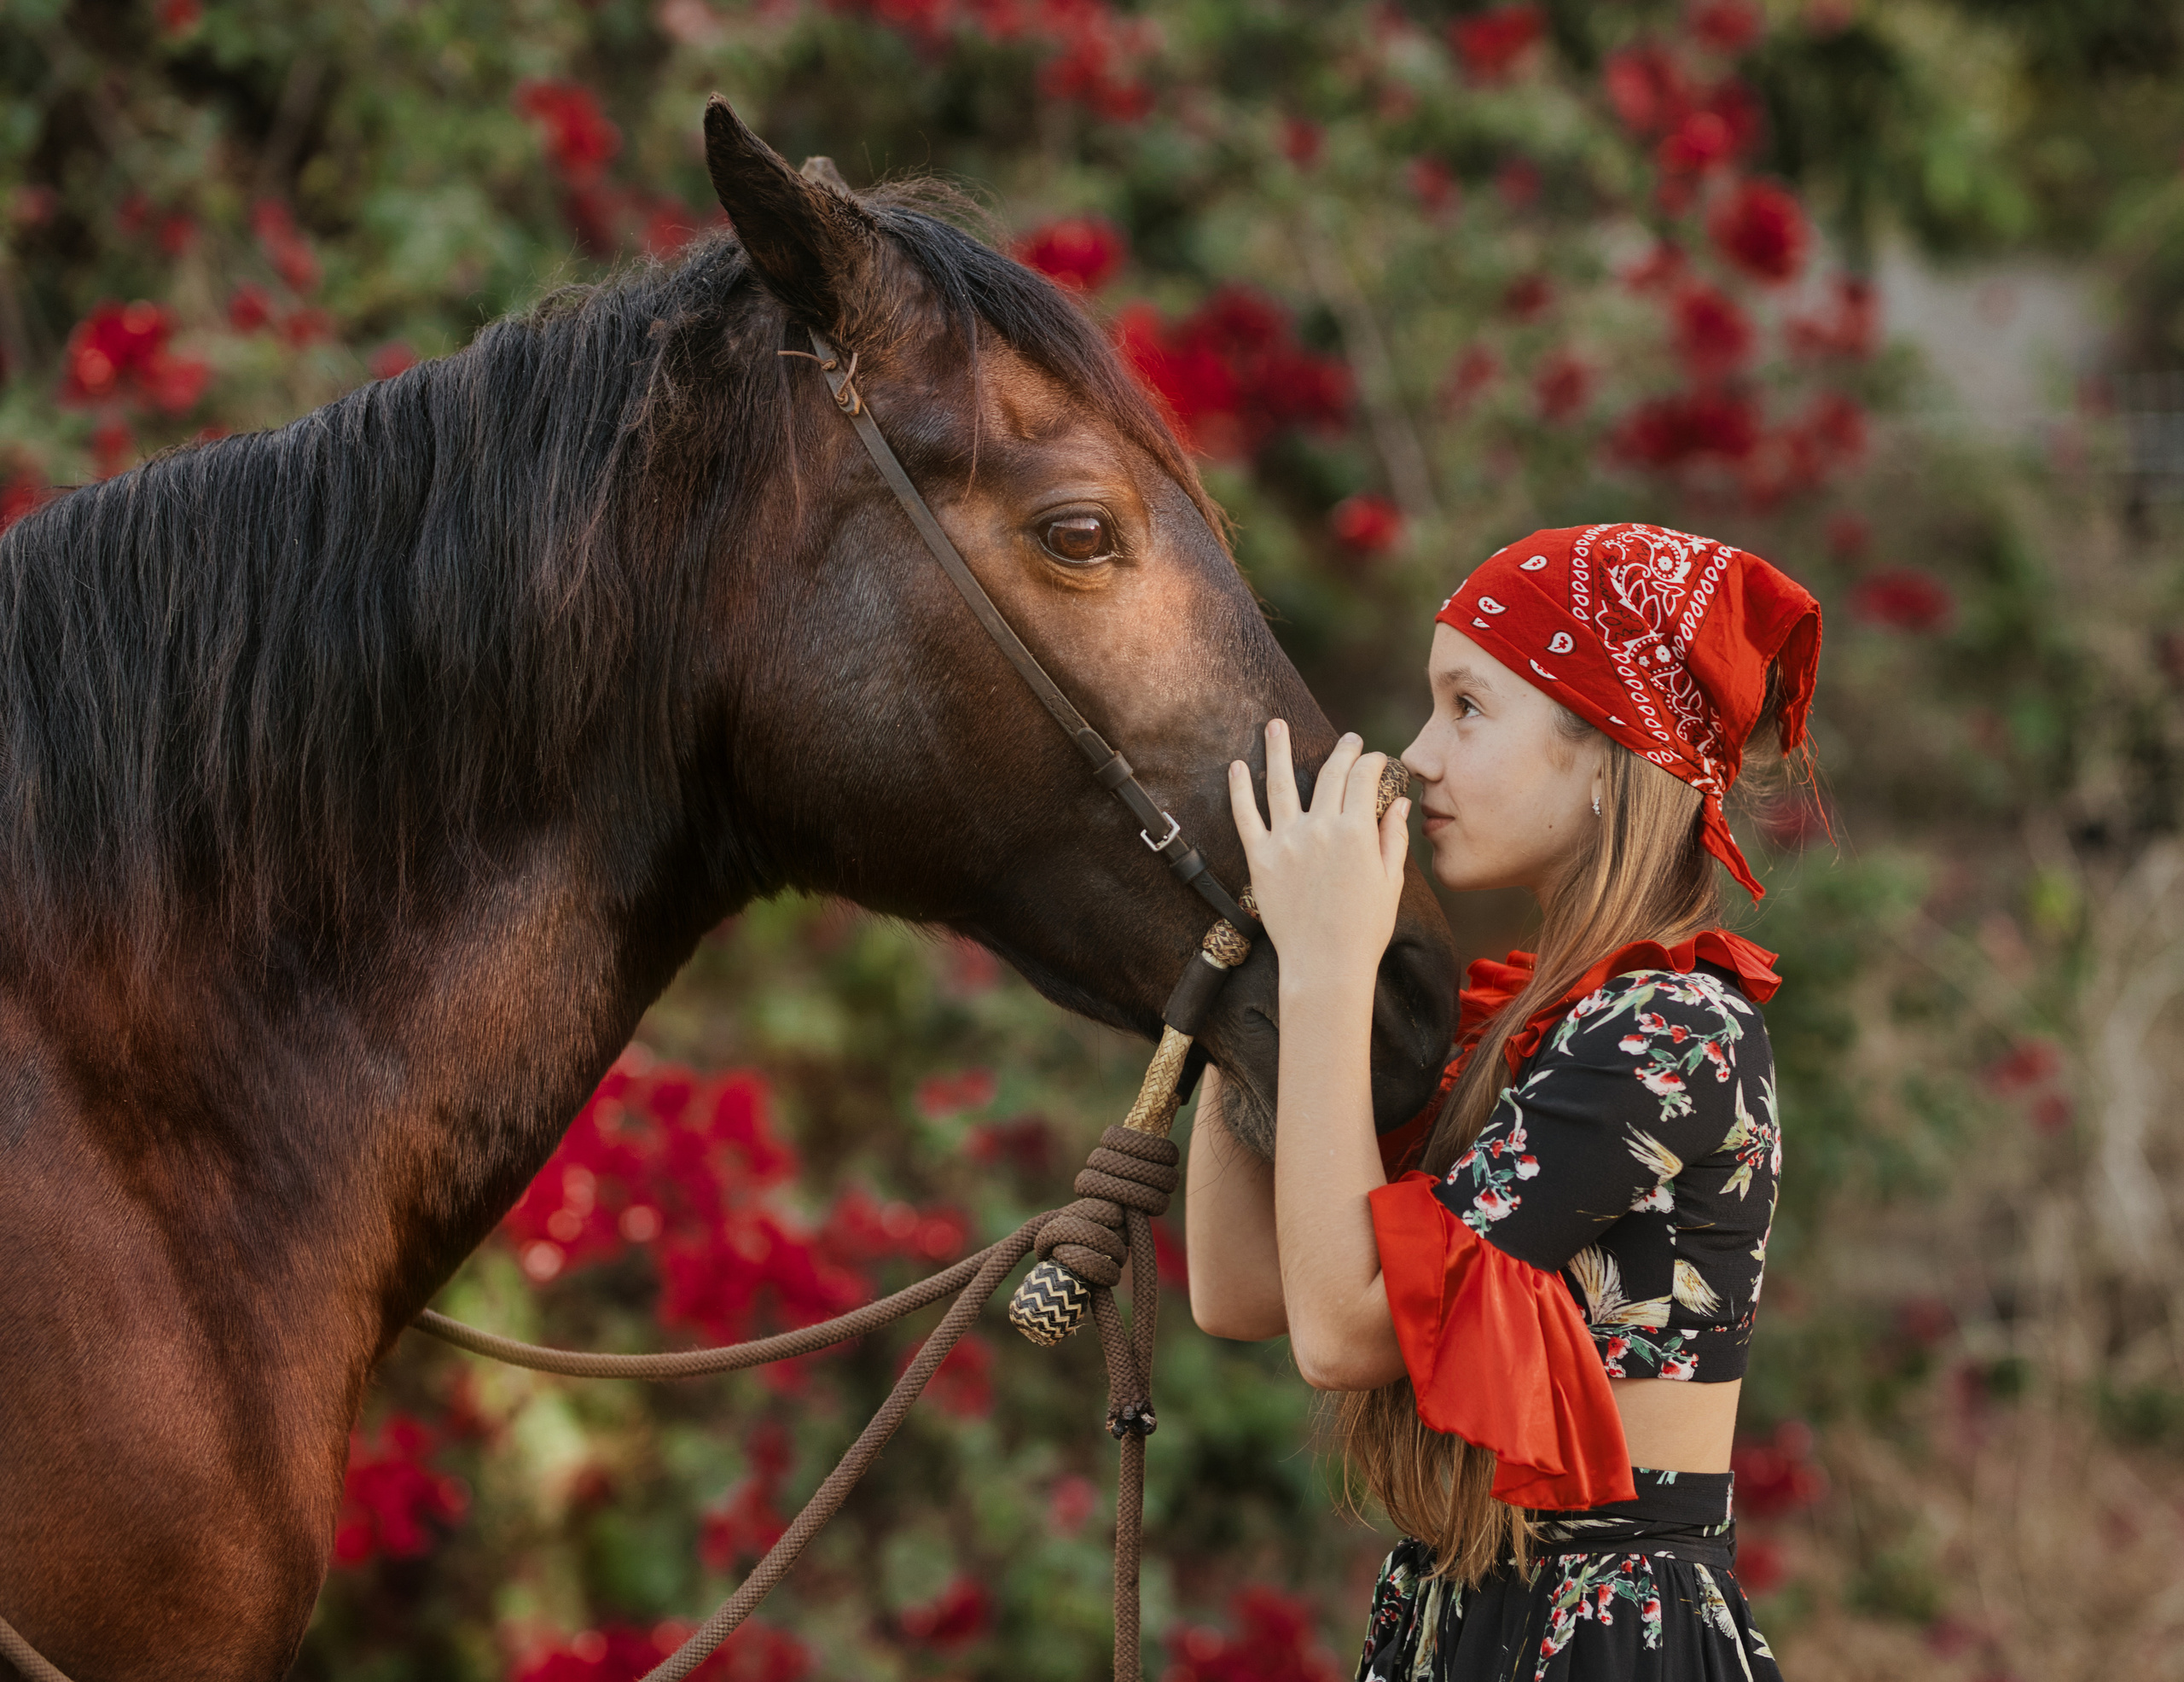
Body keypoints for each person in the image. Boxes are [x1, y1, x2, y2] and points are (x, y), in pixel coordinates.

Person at [1186, 522, 1821, 1679]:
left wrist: (1330, 969)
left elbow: (1341, 1334)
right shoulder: (1520, 1033)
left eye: (1467, 709)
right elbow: (1238, 1291)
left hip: (1606, 1634)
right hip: (1464, 1616)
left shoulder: (1672, 1031)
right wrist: (1266, 964)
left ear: (1606, 755)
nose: (1418, 756)